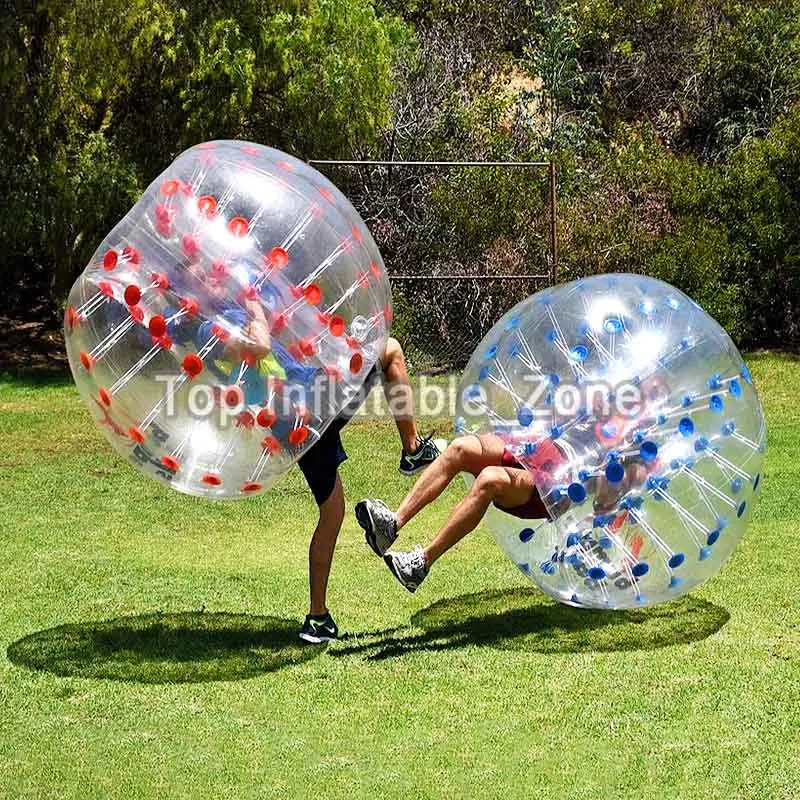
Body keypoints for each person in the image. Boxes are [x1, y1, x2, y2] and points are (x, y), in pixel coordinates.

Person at [355, 378, 666, 593]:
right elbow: (557, 412)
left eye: (651, 397)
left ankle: (420, 564)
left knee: (489, 479)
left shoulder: (639, 453)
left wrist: (618, 462)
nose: (640, 398)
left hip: (555, 484)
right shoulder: (604, 405)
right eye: (642, 390)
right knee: (459, 449)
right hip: (535, 446)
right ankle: (391, 526)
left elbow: (605, 502)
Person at [295, 335, 441, 643]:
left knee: (332, 513)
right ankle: (413, 449)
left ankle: (317, 619)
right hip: (313, 405)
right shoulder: (236, 322)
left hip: (293, 421)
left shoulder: (218, 325)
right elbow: (257, 343)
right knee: (389, 349)